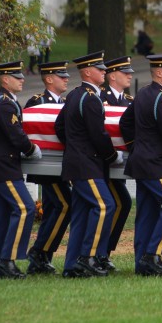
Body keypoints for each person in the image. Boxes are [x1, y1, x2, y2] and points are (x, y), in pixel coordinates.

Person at [54, 51, 124, 278]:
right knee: (105, 206)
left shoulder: (75, 95)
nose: (104, 71)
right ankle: (88, 257)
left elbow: (59, 127)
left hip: (78, 162)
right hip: (88, 165)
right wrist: (111, 156)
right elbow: (99, 134)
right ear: (86, 72)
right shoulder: (90, 98)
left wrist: (74, 146)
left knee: (83, 213)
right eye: (99, 69)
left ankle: (71, 265)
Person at [119, 53, 162, 276]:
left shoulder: (143, 94)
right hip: (154, 164)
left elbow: (125, 122)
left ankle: (142, 262)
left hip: (141, 161)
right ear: (159, 72)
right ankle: (153, 255)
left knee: (146, 213)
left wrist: (135, 147)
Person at [0, 61, 42, 280]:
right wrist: (31, 149)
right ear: (5, 79)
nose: (22, 79)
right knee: (26, 208)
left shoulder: (3, 101)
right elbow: (16, 135)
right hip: (4, 167)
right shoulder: (5, 103)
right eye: (17, 77)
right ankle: (7, 261)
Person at [24, 61, 72, 275]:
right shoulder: (37, 102)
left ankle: (41, 260)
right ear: (49, 79)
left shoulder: (65, 102)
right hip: (43, 165)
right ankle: (39, 251)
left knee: (54, 208)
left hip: (59, 165)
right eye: (61, 76)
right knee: (65, 205)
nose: (67, 78)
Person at [98, 56, 135, 270]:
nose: (130, 75)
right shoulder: (100, 98)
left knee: (122, 203)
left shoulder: (129, 101)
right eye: (125, 72)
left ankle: (105, 251)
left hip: (119, 163)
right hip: (104, 161)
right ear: (112, 76)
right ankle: (100, 252)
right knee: (119, 203)